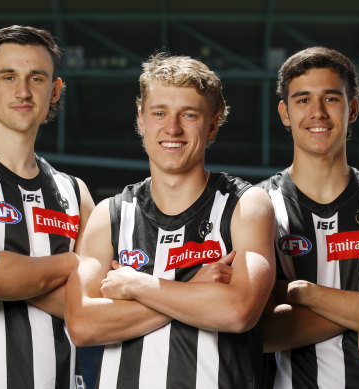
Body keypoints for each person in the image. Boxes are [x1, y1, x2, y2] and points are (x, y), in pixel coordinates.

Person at [65, 53, 276, 388]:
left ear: (212, 123)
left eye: (188, 115)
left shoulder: (246, 204)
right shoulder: (110, 214)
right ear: (141, 119)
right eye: (159, 112)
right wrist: (194, 290)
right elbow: (82, 325)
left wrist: (137, 286)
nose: (172, 128)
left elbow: (238, 311)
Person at [0, 25, 95, 389]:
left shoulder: (75, 192)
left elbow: (95, 307)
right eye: (8, 76)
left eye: (37, 78)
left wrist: (14, 279)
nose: (23, 91)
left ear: (55, 90)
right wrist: (74, 264)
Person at [258, 46, 359, 388]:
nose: (317, 113)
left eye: (331, 98)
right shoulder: (257, 207)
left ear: (352, 107)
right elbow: (257, 331)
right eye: (302, 100)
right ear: (284, 112)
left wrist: (305, 293)